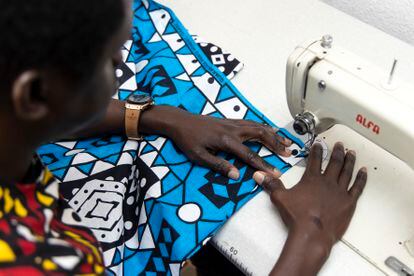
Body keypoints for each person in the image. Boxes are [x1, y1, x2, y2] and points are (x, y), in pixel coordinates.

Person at [0, 0, 367, 274]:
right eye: (112, 62)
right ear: (34, 94)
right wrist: (312, 237)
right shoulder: (38, 261)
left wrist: (158, 116)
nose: (120, 76)